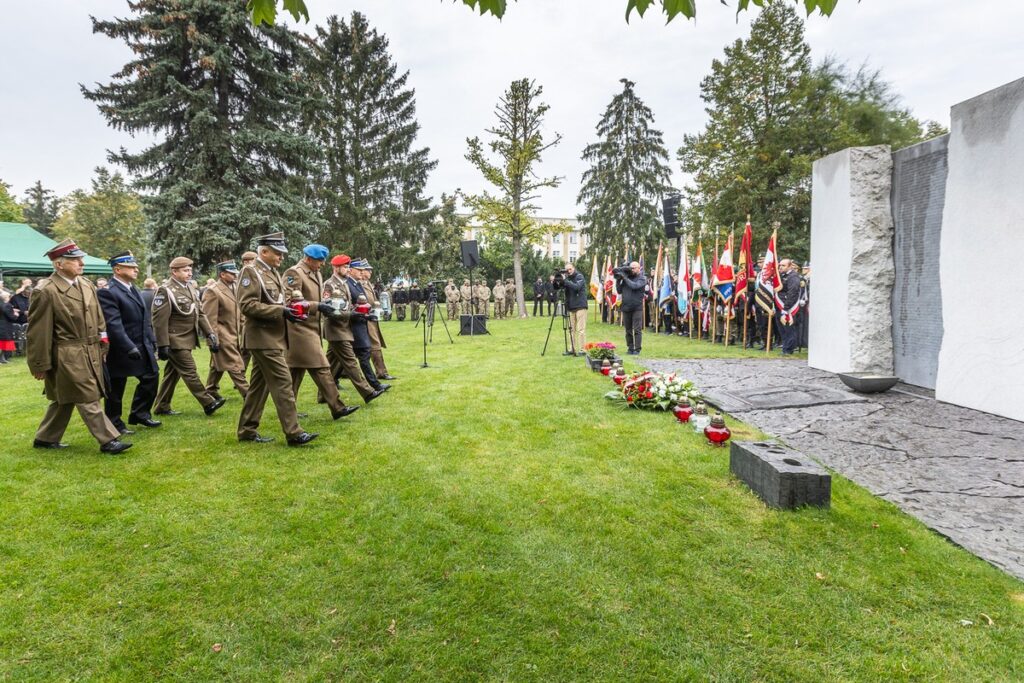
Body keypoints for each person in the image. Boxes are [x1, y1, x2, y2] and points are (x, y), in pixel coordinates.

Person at [26, 239, 129, 453]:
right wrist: (39, 363)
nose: (81, 263)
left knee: (65, 398)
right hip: (67, 353)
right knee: (86, 394)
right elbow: (38, 331)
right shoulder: (46, 290)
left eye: (80, 258)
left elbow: (99, 318)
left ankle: (45, 438)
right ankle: (108, 440)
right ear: (58, 264)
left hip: (90, 349)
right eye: (75, 260)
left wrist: (103, 344)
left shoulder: (86, 284)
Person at [236, 232, 318, 446]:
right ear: (264, 251)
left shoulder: (271, 271)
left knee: (258, 387)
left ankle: (247, 430)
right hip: (262, 338)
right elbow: (247, 305)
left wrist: (291, 310)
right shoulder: (251, 272)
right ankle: (294, 433)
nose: (281, 257)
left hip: (271, 337)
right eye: (278, 253)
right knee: (283, 382)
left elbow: (277, 301)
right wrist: (281, 311)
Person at [283, 244, 359, 421]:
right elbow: (289, 303)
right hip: (299, 330)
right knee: (322, 368)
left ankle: (288, 410)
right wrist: (318, 306)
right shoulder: (294, 273)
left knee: (295, 373)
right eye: (319, 260)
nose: (323, 264)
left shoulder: (315, 272)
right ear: (309, 259)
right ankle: (338, 407)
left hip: (312, 328)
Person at [152, 257, 226, 417]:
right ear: (174, 272)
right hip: (175, 340)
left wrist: (210, 333)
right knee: (190, 371)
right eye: (185, 270)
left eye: (190, 270)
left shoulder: (190, 288)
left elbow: (199, 313)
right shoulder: (166, 290)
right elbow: (159, 321)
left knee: (172, 374)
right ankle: (208, 402)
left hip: (187, 339)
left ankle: (161, 406)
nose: (189, 273)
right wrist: (162, 344)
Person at [97, 251, 161, 434]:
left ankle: (140, 413)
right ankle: (115, 423)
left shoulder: (133, 288)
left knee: (151, 376)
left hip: (142, 344)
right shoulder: (108, 292)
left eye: (135, 266)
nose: (136, 269)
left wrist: (152, 340)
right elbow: (113, 324)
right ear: (117, 269)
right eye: (131, 267)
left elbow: (144, 319)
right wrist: (128, 346)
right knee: (117, 388)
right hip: (121, 348)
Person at [322, 254, 388, 404]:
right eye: (345, 267)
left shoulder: (344, 284)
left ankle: (322, 395)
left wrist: (363, 314)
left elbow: (351, 305)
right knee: (351, 362)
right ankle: (368, 391)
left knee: (330, 365)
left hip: (346, 326)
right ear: (336, 267)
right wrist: (352, 314)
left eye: (347, 266)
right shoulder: (329, 284)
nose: (347, 269)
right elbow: (329, 308)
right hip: (336, 328)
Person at [203, 260, 249, 401]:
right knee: (235, 365)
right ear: (222, 274)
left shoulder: (235, 287)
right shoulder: (213, 291)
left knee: (217, 365)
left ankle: (211, 390)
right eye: (232, 273)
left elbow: (238, 312)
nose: (235, 275)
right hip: (223, 336)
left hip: (233, 334)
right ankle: (249, 395)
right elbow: (209, 318)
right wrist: (213, 339)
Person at [345, 259, 392, 392]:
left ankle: (376, 379)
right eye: (362, 270)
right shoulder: (350, 284)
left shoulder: (362, 283)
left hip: (366, 318)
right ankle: (377, 378)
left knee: (349, 354)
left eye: (364, 270)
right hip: (356, 320)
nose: (366, 272)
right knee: (366, 349)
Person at [616, 261, 648, 355]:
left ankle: (637, 349)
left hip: (636, 307)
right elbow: (619, 291)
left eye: (634, 268)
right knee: (628, 329)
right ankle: (630, 348)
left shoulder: (642, 278)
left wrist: (625, 278)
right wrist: (618, 279)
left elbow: (634, 286)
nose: (632, 269)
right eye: (631, 267)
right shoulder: (627, 278)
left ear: (639, 268)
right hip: (626, 306)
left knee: (637, 329)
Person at [562, 263, 588, 355]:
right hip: (571, 306)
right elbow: (559, 288)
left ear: (574, 268)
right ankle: (571, 348)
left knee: (581, 329)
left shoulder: (579, 276)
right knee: (571, 329)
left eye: (570, 269)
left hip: (580, 306)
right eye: (567, 270)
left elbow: (576, 287)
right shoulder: (567, 278)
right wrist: (559, 281)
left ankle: (582, 349)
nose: (568, 271)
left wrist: (566, 281)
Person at [777, 259, 801, 355]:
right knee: (782, 329)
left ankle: (789, 349)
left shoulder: (793, 276)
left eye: (783, 265)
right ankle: (785, 347)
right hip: (780, 305)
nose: (781, 267)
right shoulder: (783, 276)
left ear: (790, 266)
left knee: (789, 329)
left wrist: (786, 308)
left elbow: (792, 293)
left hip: (788, 307)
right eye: (780, 265)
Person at [0, 291, 16, 364]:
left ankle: (2, 358)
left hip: (1, 325)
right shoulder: (8, 305)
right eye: (9, 296)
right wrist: (15, 315)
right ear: (6, 298)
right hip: (6, 325)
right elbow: (11, 316)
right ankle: (3, 358)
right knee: (5, 342)